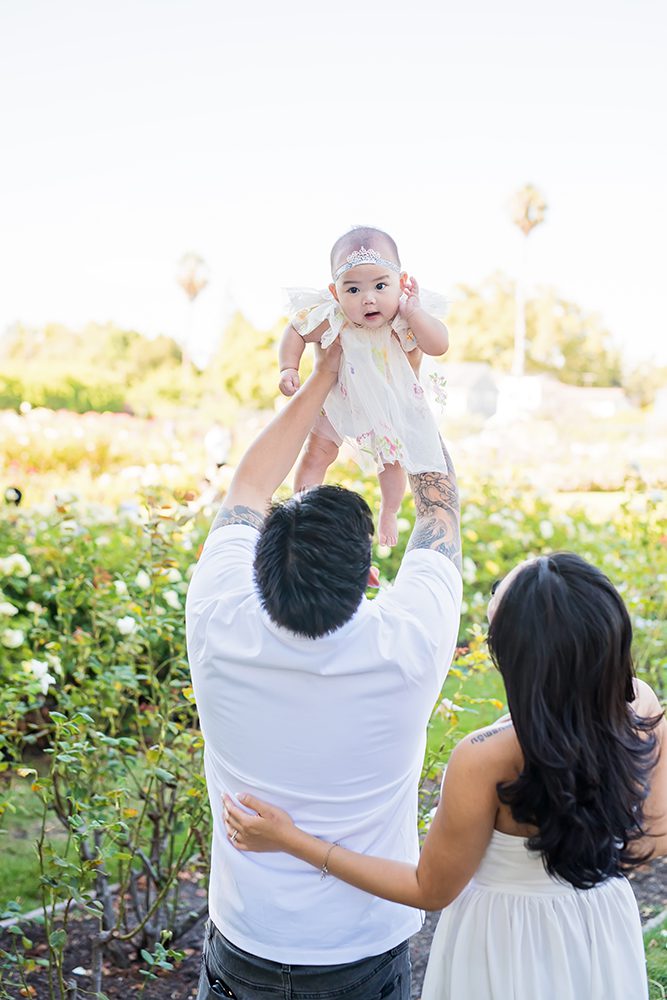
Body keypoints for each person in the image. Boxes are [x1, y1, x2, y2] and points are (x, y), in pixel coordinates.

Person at [224, 552, 667, 1000]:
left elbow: (429, 888)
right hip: (600, 925)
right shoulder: (641, 707)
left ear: (517, 655)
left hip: (505, 941)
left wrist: (289, 839)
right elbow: (652, 840)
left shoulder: (486, 757)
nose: (497, 587)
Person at [186, 334, 462, 999]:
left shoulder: (218, 620)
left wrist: (323, 377)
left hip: (246, 942)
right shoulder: (407, 646)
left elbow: (250, 484)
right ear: (371, 577)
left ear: (257, 567)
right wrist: (392, 374)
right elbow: (437, 506)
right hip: (361, 953)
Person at [278, 225, 449, 546]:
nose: (368, 299)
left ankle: (389, 510)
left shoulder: (404, 316)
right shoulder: (333, 317)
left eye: (380, 286)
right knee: (317, 453)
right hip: (339, 401)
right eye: (353, 290)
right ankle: (302, 510)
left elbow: (439, 345)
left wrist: (415, 314)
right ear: (335, 293)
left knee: (392, 463)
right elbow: (296, 330)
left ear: (401, 284)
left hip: (385, 407)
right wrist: (289, 366)